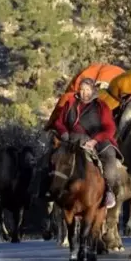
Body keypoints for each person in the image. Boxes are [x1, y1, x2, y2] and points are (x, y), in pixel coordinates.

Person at [46, 77, 121, 208]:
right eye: (81, 89)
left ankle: (109, 190)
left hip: (96, 139)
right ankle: (43, 187)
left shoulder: (100, 106)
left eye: (87, 89)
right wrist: (63, 132)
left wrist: (94, 140)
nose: (84, 92)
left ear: (92, 90)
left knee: (109, 156)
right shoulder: (70, 103)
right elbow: (59, 122)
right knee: (51, 155)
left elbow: (110, 128)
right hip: (70, 138)